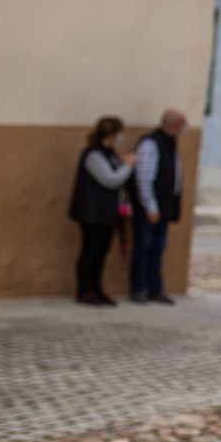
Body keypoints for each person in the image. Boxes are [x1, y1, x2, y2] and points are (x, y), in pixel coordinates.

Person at [68, 116, 135, 306]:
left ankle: (96, 289)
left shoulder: (109, 153)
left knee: (101, 254)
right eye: (120, 133)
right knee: (90, 252)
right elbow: (110, 180)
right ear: (112, 134)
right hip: (92, 214)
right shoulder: (94, 155)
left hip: (106, 213)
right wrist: (128, 165)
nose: (122, 137)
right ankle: (84, 291)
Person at [128, 109, 186, 305]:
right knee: (143, 249)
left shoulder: (169, 144)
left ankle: (155, 289)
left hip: (165, 208)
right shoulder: (150, 144)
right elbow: (144, 178)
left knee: (157, 250)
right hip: (150, 209)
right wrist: (151, 207)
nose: (182, 130)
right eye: (180, 126)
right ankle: (138, 288)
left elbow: (175, 176)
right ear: (171, 125)